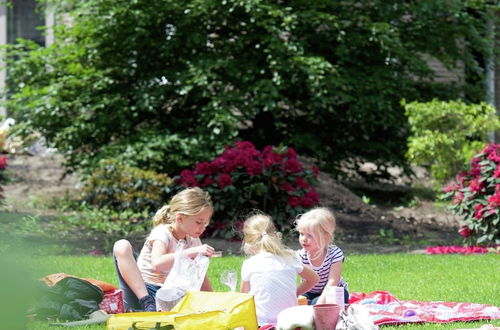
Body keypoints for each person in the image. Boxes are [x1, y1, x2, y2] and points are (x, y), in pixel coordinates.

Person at [113, 187, 215, 312]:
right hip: (142, 291)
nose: (203, 228)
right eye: (199, 222)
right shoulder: (163, 233)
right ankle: (146, 302)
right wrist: (190, 253)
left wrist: (212, 300)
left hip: (167, 294)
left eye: (205, 223)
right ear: (180, 218)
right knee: (121, 245)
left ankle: (154, 308)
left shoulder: (193, 240)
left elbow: (200, 274)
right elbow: (157, 264)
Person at [240, 212, 319, 326]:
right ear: (274, 235)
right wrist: (295, 292)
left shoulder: (250, 264)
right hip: (289, 322)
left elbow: (244, 298)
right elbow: (314, 279)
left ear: (248, 241)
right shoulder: (290, 257)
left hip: (260, 324)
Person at [295, 207, 349, 305]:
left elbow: (333, 281)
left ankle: (316, 306)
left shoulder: (334, 254)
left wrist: (321, 301)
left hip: (334, 291)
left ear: (325, 237)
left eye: (310, 235)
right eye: (301, 234)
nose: (304, 239)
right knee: (298, 302)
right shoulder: (300, 256)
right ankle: (313, 305)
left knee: (329, 302)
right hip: (309, 291)